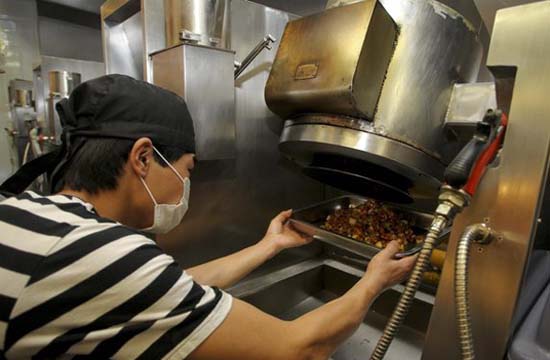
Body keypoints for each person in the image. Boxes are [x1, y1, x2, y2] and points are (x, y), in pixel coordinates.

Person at [0, 75, 416, 359]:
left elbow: (168, 288)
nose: (186, 186)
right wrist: (374, 282)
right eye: (187, 170)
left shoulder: (35, 216)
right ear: (143, 158)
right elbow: (298, 348)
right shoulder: (98, 252)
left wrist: (268, 246)